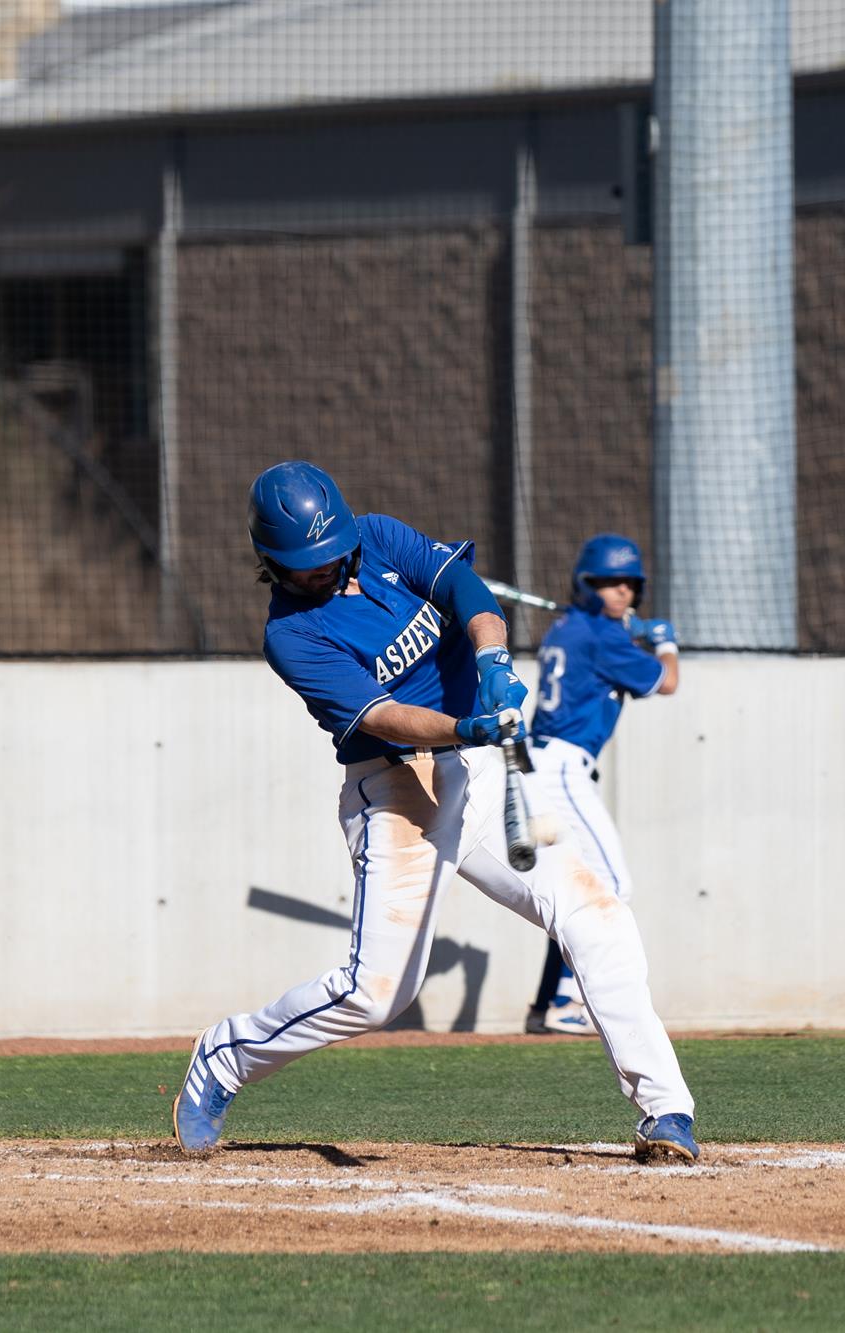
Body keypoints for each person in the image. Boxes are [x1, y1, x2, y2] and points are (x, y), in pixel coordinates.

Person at [172, 462, 699, 1162]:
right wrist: (466, 727)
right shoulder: (292, 636)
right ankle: (224, 1056)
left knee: (597, 916)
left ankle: (665, 1109)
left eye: (332, 557)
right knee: (377, 993)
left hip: (477, 774)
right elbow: (386, 715)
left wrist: (493, 659)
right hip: (395, 792)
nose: (324, 572)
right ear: (273, 563)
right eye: (306, 566)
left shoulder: (383, 539)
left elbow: (465, 590)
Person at [522, 534, 678, 1036]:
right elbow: (667, 681)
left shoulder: (569, 629)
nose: (620, 593)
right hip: (562, 768)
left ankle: (545, 1005)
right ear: (586, 585)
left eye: (628, 584)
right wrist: (664, 642)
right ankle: (570, 1004)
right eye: (608, 583)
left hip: (541, 764)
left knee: (572, 889)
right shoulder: (601, 636)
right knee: (610, 885)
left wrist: (627, 634)